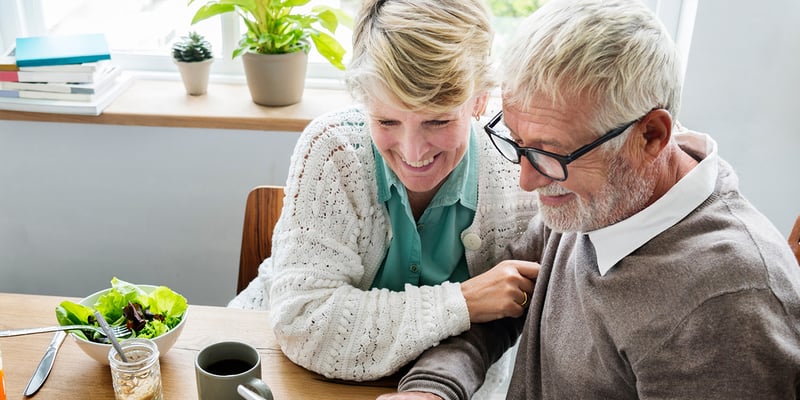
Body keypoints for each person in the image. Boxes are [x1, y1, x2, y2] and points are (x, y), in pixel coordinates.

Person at [379, 0, 800, 399]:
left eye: (549, 153)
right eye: (518, 143)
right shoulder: (593, 197)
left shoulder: (730, 305)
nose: (527, 180)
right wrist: (431, 387)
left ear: (651, 135)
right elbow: (494, 313)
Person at [229, 0, 539, 394]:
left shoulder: (519, 170)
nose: (412, 153)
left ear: (479, 100)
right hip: (283, 370)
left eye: (438, 120)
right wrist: (462, 302)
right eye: (387, 120)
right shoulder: (333, 149)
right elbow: (304, 321)